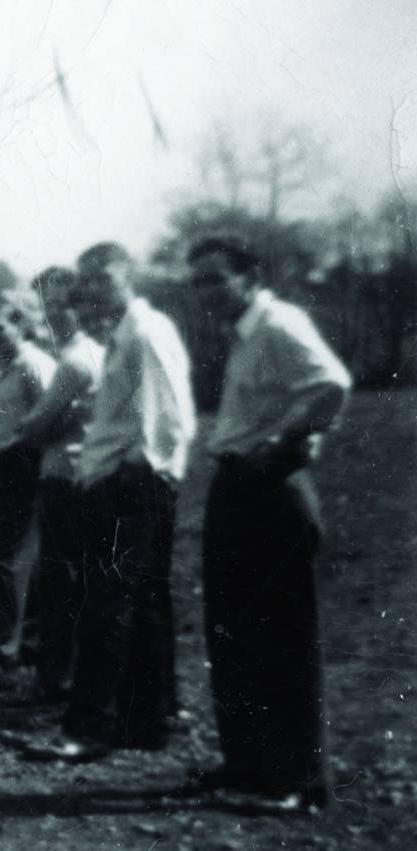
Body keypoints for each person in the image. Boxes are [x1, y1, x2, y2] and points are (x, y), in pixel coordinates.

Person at [187, 235, 351, 810]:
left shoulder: (279, 322)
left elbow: (332, 385)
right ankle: (250, 764)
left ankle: (295, 780)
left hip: (271, 487)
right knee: (235, 630)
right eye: (198, 281)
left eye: (216, 278)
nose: (206, 291)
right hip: (235, 482)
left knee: (281, 634)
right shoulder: (243, 335)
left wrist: (285, 439)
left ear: (249, 275)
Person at [51, 242, 196, 757]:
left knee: (107, 605)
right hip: (125, 482)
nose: (93, 288)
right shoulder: (123, 335)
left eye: (103, 277)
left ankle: (90, 726)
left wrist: (129, 478)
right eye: (86, 279)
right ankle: (146, 723)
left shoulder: (147, 331)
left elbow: (168, 420)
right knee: (142, 604)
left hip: (131, 486)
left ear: (128, 274)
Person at [13, 268, 106, 699]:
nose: (52, 317)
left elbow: (32, 427)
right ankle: (70, 672)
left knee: (58, 579)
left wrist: (39, 423)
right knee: (70, 577)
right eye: (46, 308)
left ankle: (57, 676)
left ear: (81, 308)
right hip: (77, 471)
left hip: (65, 476)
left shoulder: (73, 362)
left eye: (60, 307)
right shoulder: (92, 353)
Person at [0, 295, 57, 662]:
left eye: (0, 328)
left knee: (13, 558)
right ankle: (3, 633)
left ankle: (13, 642)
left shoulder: (34, 365)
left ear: (20, 326)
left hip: (21, 465)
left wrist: (26, 458)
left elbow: (50, 417)